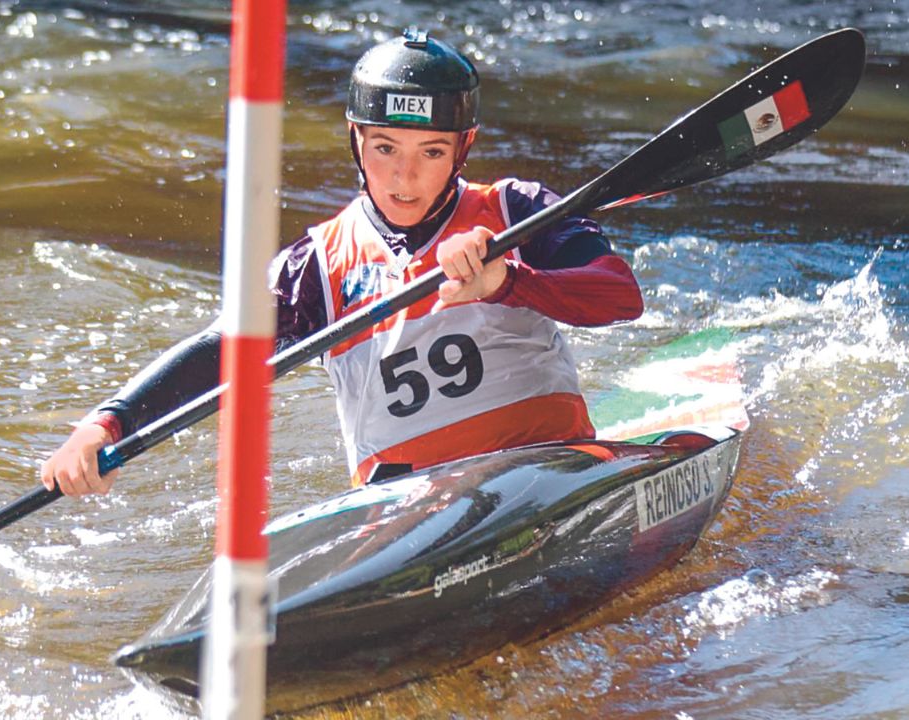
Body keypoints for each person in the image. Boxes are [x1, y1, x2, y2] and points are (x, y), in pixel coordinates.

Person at [41, 29, 643, 497]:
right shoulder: (315, 264)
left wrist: (507, 280)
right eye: (384, 149)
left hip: (543, 468)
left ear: (465, 147)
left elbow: (620, 297)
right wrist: (104, 426)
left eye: (430, 152)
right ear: (356, 140)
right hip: (402, 497)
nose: (404, 177)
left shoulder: (516, 211)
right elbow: (223, 349)